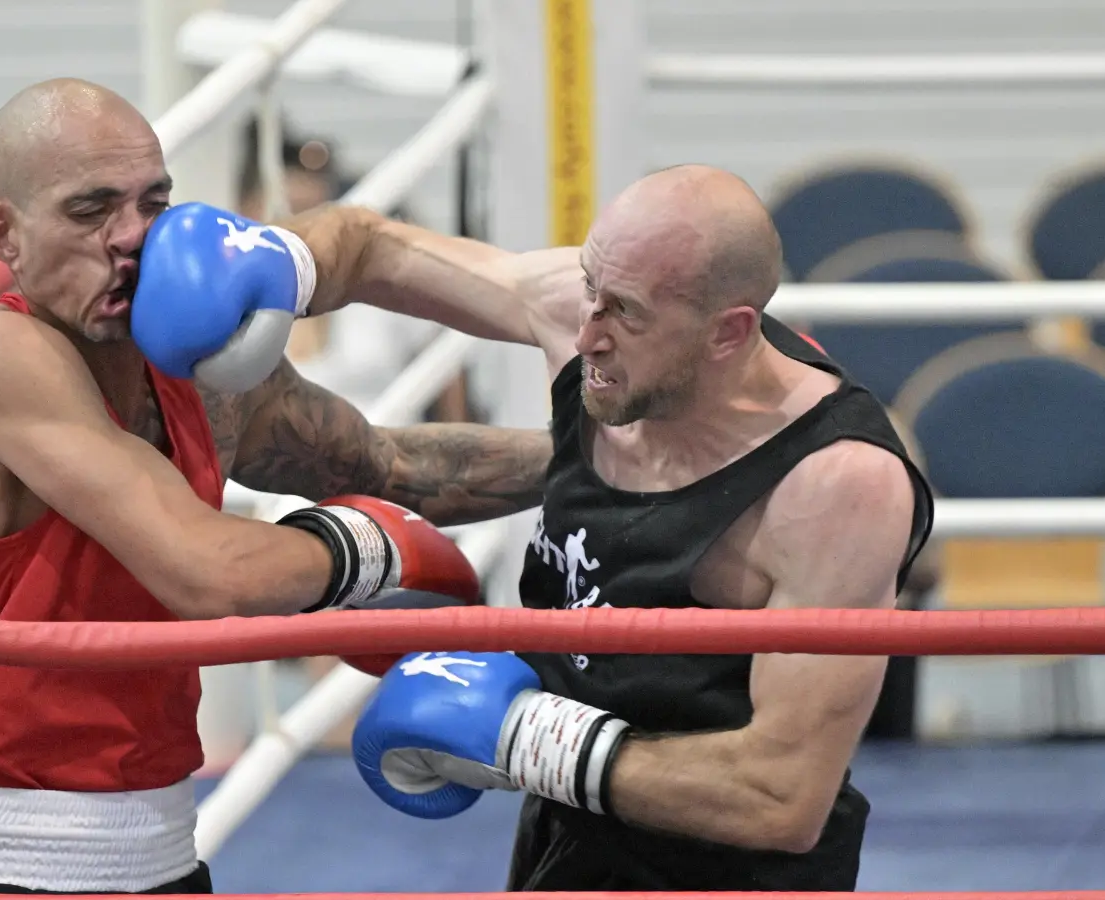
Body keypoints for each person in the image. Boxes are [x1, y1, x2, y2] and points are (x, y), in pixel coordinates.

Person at [0, 78, 553, 895]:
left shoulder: (196, 373)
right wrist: (372, 547)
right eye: (91, 211)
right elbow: (210, 572)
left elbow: (389, 464)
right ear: (5, 234)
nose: (130, 236)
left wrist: (604, 461)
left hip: (161, 853)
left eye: (151, 203)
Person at [260, 164, 935, 891]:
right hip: (568, 841)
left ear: (727, 333)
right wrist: (274, 264)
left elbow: (783, 796)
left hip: (729, 877)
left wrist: (527, 738)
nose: (584, 334)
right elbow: (369, 244)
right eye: (588, 288)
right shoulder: (597, 321)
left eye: (625, 312)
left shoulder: (834, 485)